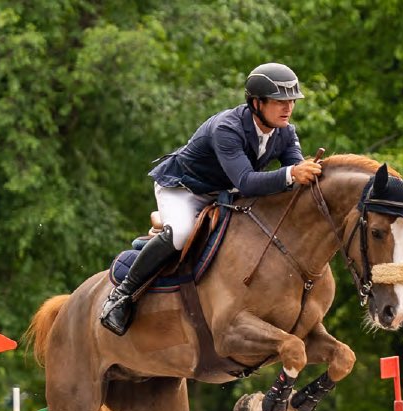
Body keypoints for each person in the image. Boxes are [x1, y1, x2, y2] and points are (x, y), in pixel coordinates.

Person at [99, 62, 324, 335]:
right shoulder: (227, 128)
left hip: (224, 194)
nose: (288, 108)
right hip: (184, 188)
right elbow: (247, 181)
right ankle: (120, 296)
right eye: (279, 101)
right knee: (181, 234)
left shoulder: (286, 132)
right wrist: (292, 173)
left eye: (291, 101)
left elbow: (293, 182)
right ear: (256, 103)